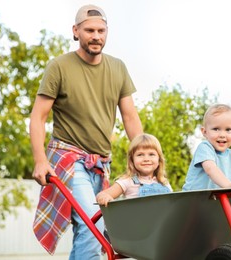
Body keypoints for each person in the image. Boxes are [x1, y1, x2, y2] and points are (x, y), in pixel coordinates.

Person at [30, 4, 143, 260]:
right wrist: (40, 160)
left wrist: (142, 155)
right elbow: (38, 117)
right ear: (76, 31)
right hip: (69, 158)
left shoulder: (118, 68)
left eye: (101, 30)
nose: (96, 36)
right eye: (89, 30)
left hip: (102, 162)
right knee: (92, 228)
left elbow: (129, 116)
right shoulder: (59, 66)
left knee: (95, 229)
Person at [96, 133, 172, 206]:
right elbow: (102, 195)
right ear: (132, 160)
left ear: (159, 160)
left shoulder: (164, 182)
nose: (146, 159)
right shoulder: (128, 181)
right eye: (140, 155)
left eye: (151, 154)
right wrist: (105, 197)